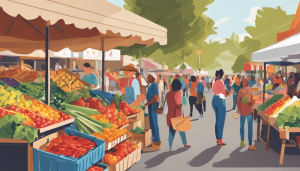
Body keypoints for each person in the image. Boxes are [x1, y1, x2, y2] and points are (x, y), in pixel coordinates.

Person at [166, 79, 191, 151]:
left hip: (170, 115)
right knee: (181, 130)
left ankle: (170, 146)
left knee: (171, 132)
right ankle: (185, 143)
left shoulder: (168, 94)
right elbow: (179, 105)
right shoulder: (178, 93)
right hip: (177, 115)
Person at [237, 79, 258, 151]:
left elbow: (238, 102)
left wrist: (239, 108)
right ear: (247, 83)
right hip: (249, 111)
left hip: (242, 111)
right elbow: (252, 103)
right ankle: (250, 145)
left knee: (242, 126)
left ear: (242, 83)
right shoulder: (250, 91)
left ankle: (242, 142)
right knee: (250, 128)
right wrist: (254, 99)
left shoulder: (240, 91)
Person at [143, 73, 161, 151]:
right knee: (152, 123)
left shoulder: (154, 85)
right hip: (151, 105)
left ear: (153, 78)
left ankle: (157, 142)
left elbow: (155, 98)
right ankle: (154, 141)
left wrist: (147, 104)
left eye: (149, 76)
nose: (147, 77)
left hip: (153, 105)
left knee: (154, 123)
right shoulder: (151, 85)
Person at [212, 69, 228, 146]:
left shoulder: (215, 82)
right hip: (220, 100)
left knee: (217, 119)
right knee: (221, 120)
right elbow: (223, 92)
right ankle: (219, 139)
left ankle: (218, 138)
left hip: (215, 99)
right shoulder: (220, 81)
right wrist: (226, 92)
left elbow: (213, 90)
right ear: (219, 75)